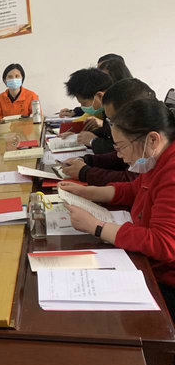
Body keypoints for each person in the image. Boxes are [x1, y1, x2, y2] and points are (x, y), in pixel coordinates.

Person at [59, 98, 175, 320]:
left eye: (121, 147)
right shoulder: (157, 158)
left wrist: (97, 226)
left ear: (152, 139)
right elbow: (135, 189)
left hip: (164, 282)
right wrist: (88, 192)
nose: (119, 155)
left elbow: (163, 243)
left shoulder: (171, 171)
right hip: (147, 262)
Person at [62, 78, 156, 185]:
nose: (112, 126)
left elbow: (132, 180)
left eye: (113, 121)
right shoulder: (137, 132)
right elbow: (119, 158)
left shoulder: (150, 140)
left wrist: (85, 172)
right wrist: (88, 161)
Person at [59, 68, 114, 153]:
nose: (82, 107)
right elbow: (105, 132)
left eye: (84, 103)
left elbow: (118, 149)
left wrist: (93, 141)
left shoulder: (122, 111)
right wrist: (79, 136)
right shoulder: (106, 110)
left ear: (99, 96)